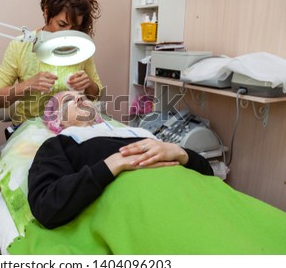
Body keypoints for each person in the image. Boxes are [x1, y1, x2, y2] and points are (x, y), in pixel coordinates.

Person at [28, 91, 214, 229]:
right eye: (69, 100)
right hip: (150, 212)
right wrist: (111, 164)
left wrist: (180, 152)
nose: (79, 98)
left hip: (196, 200)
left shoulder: (141, 133)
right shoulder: (59, 143)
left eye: (83, 97)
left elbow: (208, 174)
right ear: (57, 120)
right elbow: (46, 205)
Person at [0, 0, 103, 137]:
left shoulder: (79, 46)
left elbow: (97, 93)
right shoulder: (20, 46)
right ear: (47, 11)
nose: (67, 33)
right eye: (62, 24)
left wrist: (88, 83)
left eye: (75, 28)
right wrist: (27, 85)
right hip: (29, 129)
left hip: (70, 129)